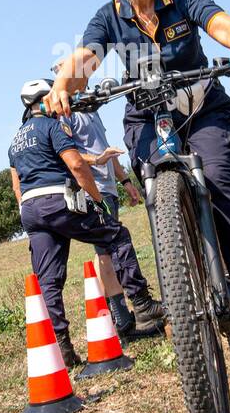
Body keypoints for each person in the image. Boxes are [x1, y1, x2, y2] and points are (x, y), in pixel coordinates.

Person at [46, 0, 230, 340]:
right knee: (160, 192)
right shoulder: (108, 17)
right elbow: (85, 58)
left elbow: (220, 23)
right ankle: (183, 288)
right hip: (146, 118)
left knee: (215, 179)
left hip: (202, 110)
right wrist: (63, 86)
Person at [8, 79, 164, 369]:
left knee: (49, 280)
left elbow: (17, 186)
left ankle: (63, 350)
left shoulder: (15, 140)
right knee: (116, 236)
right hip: (58, 201)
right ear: (44, 100)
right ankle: (141, 304)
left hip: (30, 208)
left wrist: (29, 213)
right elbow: (76, 164)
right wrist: (97, 201)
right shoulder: (52, 127)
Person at [68, 105, 162, 342]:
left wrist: (126, 181)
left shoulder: (90, 109)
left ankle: (122, 321)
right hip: (93, 190)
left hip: (108, 190)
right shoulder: (66, 113)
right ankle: (121, 322)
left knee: (108, 254)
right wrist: (97, 160)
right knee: (106, 255)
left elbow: (106, 153)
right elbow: (70, 154)